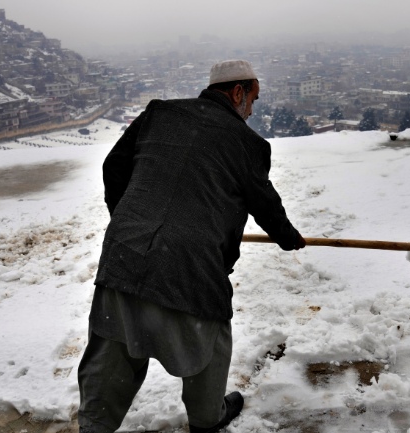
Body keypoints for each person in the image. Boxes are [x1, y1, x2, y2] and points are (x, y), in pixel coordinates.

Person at [77, 59, 305, 433]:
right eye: (254, 100)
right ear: (237, 93)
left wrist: (131, 223)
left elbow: (113, 168)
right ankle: (207, 418)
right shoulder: (247, 144)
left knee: (113, 342)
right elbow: (263, 201)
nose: (253, 109)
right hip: (192, 264)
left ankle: (94, 425)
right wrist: (288, 237)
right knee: (209, 340)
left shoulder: (158, 113)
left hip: (124, 253)